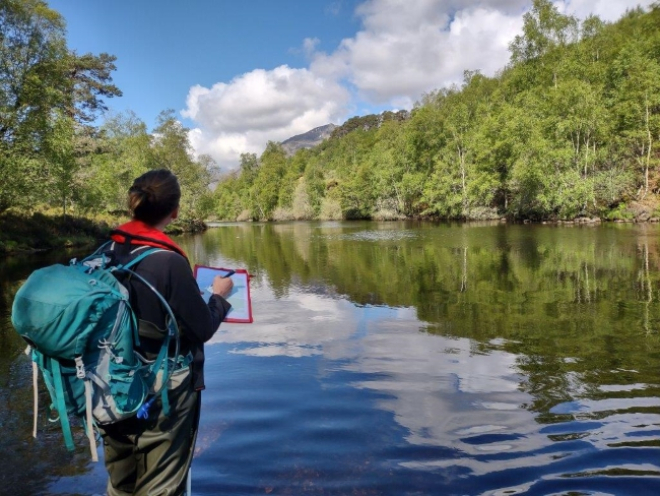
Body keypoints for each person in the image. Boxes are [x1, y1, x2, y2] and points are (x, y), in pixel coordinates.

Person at [98, 169, 232, 496]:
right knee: (161, 485)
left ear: (134, 206)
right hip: (162, 391)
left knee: (121, 481)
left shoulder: (107, 249)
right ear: (175, 211)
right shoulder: (169, 262)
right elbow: (201, 328)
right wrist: (219, 297)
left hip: (111, 381)